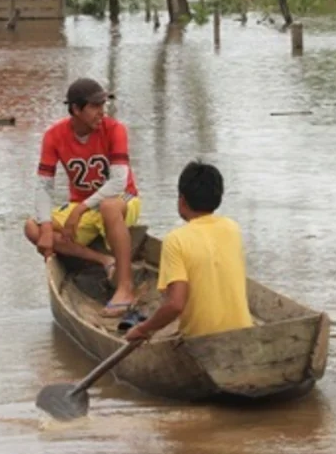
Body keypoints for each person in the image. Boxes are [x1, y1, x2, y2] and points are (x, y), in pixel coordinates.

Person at [25, 77, 140, 315]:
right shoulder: (54, 136)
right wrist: (46, 229)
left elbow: (119, 181)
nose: (102, 112)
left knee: (108, 206)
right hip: (84, 205)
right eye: (95, 107)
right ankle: (105, 260)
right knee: (32, 228)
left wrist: (79, 210)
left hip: (122, 199)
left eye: (103, 106)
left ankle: (125, 288)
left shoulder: (115, 129)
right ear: (76, 109)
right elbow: (44, 186)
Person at [125, 161, 252, 342]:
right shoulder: (233, 228)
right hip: (245, 332)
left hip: (201, 341)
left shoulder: (176, 240)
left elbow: (175, 305)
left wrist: (142, 329)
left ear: (182, 200)